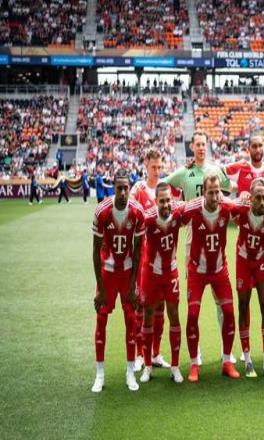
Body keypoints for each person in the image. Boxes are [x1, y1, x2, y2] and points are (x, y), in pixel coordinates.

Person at [163, 131, 236, 365]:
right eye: (198, 145)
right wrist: (177, 202)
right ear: (192, 147)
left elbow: (230, 187)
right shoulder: (184, 172)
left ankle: (226, 350)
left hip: (215, 233)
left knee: (219, 298)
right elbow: (164, 184)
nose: (201, 148)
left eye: (204, 144)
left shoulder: (215, 170)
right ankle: (197, 353)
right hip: (192, 235)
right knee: (195, 297)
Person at [225, 134, 264, 360]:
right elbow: (217, 174)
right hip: (246, 240)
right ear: (248, 148)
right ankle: (246, 352)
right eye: (254, 145)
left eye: (261, 145)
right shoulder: (239, 169)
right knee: (244, 302)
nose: (258, 149)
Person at [180, 174, 240, 383]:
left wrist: (247, 198)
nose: (215, 197)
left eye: (218, 192)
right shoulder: (193, 209)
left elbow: (245, 209)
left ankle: (227, 361)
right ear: (203, 193)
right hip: (197, 271)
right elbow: (175, 217)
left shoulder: (227, 207)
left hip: (219, 270)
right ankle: (194, 363)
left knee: (229, 313)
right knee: (192, 315)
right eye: (211, 192)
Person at [91, 169, 145, 393]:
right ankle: (99, 374)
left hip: (127, 273)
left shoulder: (137, 212)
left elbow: (138, 250)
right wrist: (100, 288)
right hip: (108, 273)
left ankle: (130, 372)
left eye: (126, 188)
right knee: (101, 320)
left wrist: (133, 284)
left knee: (131, 321)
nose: (123, 192)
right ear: (114, 188)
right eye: (119, 188)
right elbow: (95, 252)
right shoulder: (102, 211)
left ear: (130, 189)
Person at [233, 177, 264, 379]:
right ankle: (247, 360)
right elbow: (224, 206)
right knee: (243, 306)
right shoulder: (242, 209)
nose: (262, 202)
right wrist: (237, 198)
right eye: (258, 198)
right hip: (244, 262)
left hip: (262, 262)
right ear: (251, 198)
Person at [139, 183, 184, 384]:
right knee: (148, 315)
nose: (166, 205)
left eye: (168, 200)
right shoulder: (147, 219)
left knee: (173, 314)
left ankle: (175, 366)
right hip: (150, 273)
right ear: (156, 201)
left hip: (171, 272)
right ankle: (148, 366)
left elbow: (198, 204)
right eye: (162, 201)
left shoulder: (178, 214)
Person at [130, 150, 170, 372]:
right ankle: (139, 354)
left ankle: (155, 353)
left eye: (159, 167)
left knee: (161, 306)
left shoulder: (166, 190)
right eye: (153, 167)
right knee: (142, 306)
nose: (157, 170)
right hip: (144, 258)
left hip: (164, 258)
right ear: (146, 166)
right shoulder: (138, 190)